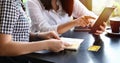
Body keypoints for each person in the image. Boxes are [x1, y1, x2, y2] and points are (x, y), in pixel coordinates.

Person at [0, 0, 70, 63]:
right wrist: (46, 45)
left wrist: (38, 36)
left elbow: (15, 33)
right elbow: (3, 47)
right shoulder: (8, 2)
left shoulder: (17, 2)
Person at [27, 0, 106, 35]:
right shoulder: (33, 2)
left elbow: (88, 14)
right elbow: (44, 30)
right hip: (41, 49)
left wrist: (97, 23)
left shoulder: (68, 1)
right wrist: (74, 23)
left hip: (65, 45)